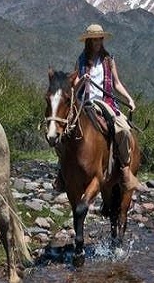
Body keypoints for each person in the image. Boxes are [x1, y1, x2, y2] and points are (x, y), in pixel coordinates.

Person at [54, 24, 143, 192]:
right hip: (83, 102)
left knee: (123, 131)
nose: (97, 42)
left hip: (105, 102)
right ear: (88, 41)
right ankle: (62, 171)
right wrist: (83, 80)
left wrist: (129, 99)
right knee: (61, 134)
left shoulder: (109, 60)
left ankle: (124, 168)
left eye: (100, 39)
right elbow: (74, 85)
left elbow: (116, 83)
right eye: (94, 39)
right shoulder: (80, 60)